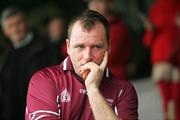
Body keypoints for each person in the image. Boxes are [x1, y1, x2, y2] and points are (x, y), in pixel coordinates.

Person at [26, 10, 138, 120]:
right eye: (80, 47)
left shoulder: (123, 90)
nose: (87, 56)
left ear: (108, 49)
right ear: (68, 47)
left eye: (96, 47)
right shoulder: (45, 80)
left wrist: (93, 90)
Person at [0, 7, 58, 120]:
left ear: (27, 23)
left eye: (18, 23)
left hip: (38, 113)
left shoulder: (46, 48)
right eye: (10, 26)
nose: (15, 29)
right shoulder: (4, 55)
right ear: (5, 31)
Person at [142, 0, 180, 119]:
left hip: (175, 61)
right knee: (167, 101)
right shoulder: (155, 9)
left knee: (176, 100)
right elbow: (147, 41)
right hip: (161, 61)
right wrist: (151, 30)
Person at [88, 0, 132, 79]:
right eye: (92, 2)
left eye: (99, 1)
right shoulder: (87, 26)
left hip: (113, 78)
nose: (94, 5)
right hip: (95, 78)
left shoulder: (117, 27)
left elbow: (108, 55)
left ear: (108, 4)